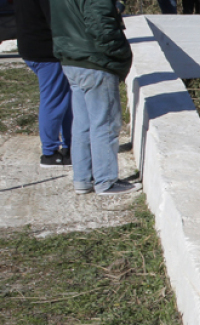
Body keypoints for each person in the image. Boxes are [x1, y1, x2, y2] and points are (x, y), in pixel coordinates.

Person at [51, 0, 139, 195]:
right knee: (104, 124)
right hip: (95, 61)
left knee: (82, 124)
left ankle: (82, 179)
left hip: (71, 59)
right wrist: (123, 54)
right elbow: (102, 26)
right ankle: (105, 181)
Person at [15, 0, 72, 169]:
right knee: (54, 101)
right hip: (46, 51)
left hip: (32, 46)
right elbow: (57, 20)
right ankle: (49, 153)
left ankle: (69, 145)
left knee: (64, 98)